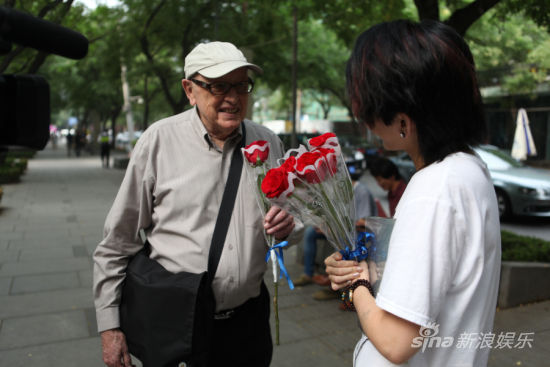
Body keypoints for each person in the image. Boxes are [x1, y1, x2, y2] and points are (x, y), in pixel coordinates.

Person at [93, 41, 297, 367]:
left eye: (241, 85)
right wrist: (110, 327)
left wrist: (290, 225)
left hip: (248, 325)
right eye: (218, 86)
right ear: (190, 90)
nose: (233, 97)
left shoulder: (268, 142)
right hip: (177, 322)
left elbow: (291, 219)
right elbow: (117, 243)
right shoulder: (158, 141)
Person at [325, 20, 500, 366]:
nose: (366, 123)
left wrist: (356, 284)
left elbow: (397, 341)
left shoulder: (433, 190)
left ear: (403, 120)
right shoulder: (468, 168)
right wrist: (366, 268)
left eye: (369, 112)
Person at [294, 166, 378, 297]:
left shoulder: (361, 192)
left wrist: (335, 226)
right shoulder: (339, 192)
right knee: (310, 232)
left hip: (358, 232)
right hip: (342, 228)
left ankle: (340, 288)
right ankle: (308, 273)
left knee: (340, 242)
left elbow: (362, 221)